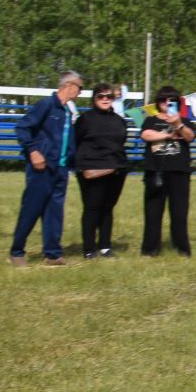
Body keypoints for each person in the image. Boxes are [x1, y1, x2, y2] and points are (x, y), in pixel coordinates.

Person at [8, 72, 82, 266]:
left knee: (54, 211)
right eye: (79, 88)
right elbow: (22, 127)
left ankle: (52, 253)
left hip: (61, 168)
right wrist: (33, 151)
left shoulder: (67, 110)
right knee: (31, 209)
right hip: (42, 167)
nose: (80, 92)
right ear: (69, 85)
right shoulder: (46, 105)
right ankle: (16, 252)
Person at [72, 82, 131, 259]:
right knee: (92, 208)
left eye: (109, 97)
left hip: (116, 169)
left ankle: (105, 246)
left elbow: (122, 140)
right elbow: (76, 140)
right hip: (92, 170)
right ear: (94, 98)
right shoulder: (85, 119)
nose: (105, 99)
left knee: (108, 208)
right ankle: (89, 248)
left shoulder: (119, 120)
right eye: (101, 96)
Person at [139, 86, 195, 257]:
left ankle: (182, 248)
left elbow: (190, 136)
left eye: (172, 101)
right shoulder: (150, 120)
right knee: (152, 212)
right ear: (158, 102)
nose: (167, 103)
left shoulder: (184, 120)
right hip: (155, 171)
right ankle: (150, 248)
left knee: (179, 213)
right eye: (164, 100)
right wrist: (167, 135)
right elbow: (146, 135)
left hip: (179, 172)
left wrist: (177, 124)